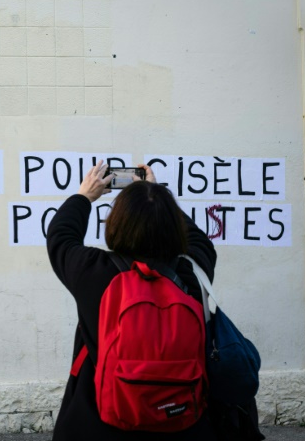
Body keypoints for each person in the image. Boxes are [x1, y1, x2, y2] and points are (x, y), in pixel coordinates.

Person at [46, 160, 217, 440]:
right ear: (173, 225)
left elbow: (60, 236)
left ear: (115, 224)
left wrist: (84, 196)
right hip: (183, 419)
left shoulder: (94, 273)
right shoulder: (193, 272)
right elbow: (199, 240)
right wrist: (155, 194)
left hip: (101, 423)